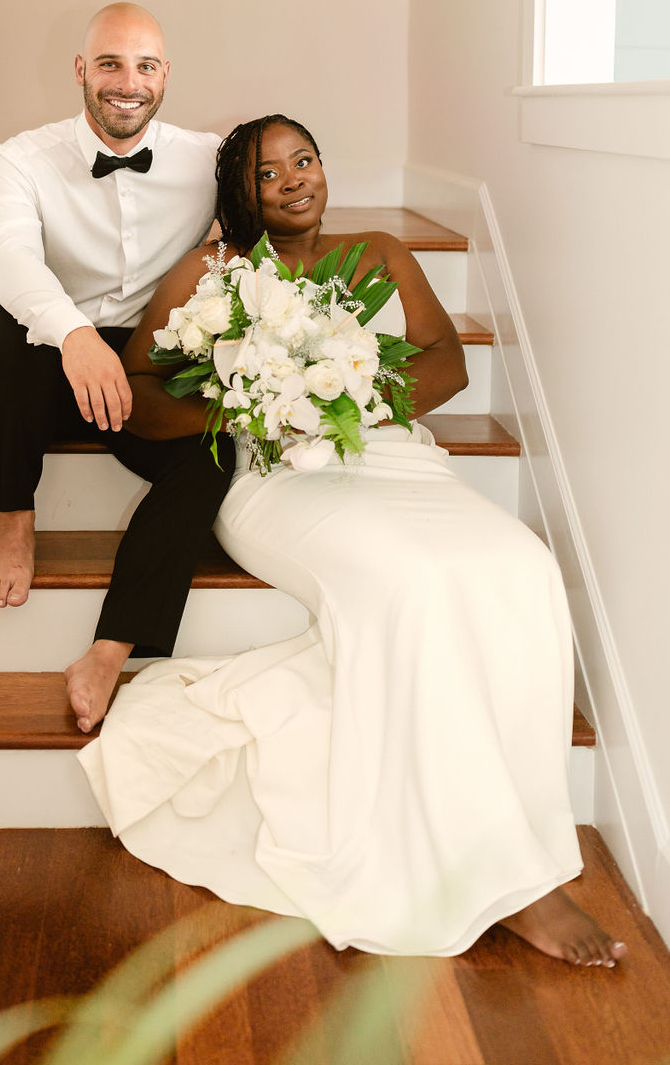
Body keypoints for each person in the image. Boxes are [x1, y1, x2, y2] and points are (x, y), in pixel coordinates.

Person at [79, 113, 627, 966]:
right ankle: (512, 880)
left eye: (307, 159)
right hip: (278, 478)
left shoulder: (382, 253)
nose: (296, 178)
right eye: (271, 172)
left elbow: (447, 360)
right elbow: (144, 389)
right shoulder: (213, 271)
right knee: (410, 585)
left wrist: (358, 397)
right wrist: (252, 406)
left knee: (520, 567)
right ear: (242, 192)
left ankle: (523, 831)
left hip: (394, 457)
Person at [0, 2, 231, 733]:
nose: (128, 83)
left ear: (165, 76)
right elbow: (5, 255)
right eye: (111, 64)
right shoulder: (21, 158)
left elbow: (279, 204)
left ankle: (113, 648)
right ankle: (15, 524)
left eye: (145, 66)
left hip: (151, 361)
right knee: (4, 336)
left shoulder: (206, 158)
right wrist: (74, 332)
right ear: (81, 70)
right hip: (61, 355)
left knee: (212, 451)